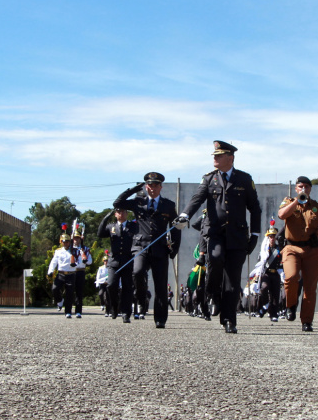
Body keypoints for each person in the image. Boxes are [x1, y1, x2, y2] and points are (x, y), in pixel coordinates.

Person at [176, 141, 261, 334]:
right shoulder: (209, 179)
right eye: (214, 155)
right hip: (215, 233)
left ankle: (229, 320)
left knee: (232, 281)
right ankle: (213, 293)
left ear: (230, 158)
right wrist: (185, 215)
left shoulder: (244, 179)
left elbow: (255, 208)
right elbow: (196, 199)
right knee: (214, 259)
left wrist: (255, 234)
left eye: (219, 155)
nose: (214, 158)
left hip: (238, 236)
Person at [114, 172, 181, 329]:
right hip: (140, 246)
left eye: (156, 185)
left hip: (160, 248)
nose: (153, 188)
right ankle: (141, 296)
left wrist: (174, 249)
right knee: (137, 272)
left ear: (161, 187)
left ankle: (160, 319)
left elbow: (176, 228)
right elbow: (117, 202)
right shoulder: (138, 201)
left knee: (160, 285)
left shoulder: (168, 205)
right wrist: (134, 189)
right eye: (150, 185)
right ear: (146, 186)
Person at [277, 176, 318, 332]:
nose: (304, 189)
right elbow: (282, 215)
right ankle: (291, 305)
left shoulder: (317, 207)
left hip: (312, 250)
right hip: (291, 248)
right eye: (301, 186)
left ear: (310, 189)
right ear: (296, 188)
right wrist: (296, 201)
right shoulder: (288, 202)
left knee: (310, 287)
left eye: (307, 187)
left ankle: (307, 321)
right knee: (291, 277)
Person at [97, 207, 138, 322]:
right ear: (115, 214)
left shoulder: (133, 226)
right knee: (111, 285)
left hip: (128, 261)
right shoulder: (111, 227)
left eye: (123, 211)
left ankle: (126, 313)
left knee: (127, 288)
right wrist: (105, 218)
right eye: (118, 212)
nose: (121, 214)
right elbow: (100, 233)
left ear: (126, 213)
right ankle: (114, 307)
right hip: (114, 262)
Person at [48, 231, 80, 318]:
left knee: (69, 294)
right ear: (61, 242)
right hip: (61, 273)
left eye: (67, 241)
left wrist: (75, 264)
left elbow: (79, 261)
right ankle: (60, 300)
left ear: (70, 242)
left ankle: (68, 312)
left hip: (71, 274)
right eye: (64, 241)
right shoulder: (58, 251)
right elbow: (54, 262)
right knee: (55, 288)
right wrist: (50, 271)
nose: (65, 243)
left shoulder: (75, 250)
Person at [256, 221, 283, 322]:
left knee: (275, 295)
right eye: (270, 236)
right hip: (266, 273)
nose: (272, 238)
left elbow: (281, 262)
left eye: (273, 236)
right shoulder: (264, 250)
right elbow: (260, 263)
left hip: (275, 273)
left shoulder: (278, 249)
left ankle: (274, 314)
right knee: (264, 287)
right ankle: (265, 304)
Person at [71, 227, 92, 318]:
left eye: (78, 238)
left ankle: (78, 311)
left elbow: (90, 261)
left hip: (80, 272)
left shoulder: (85, 249)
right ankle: (68, 310)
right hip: (71, 272)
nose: (76, 240)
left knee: (79, 292)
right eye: (75, 238)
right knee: (70, 291)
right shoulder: (69, 249)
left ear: (80, 239)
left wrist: (85, 261)